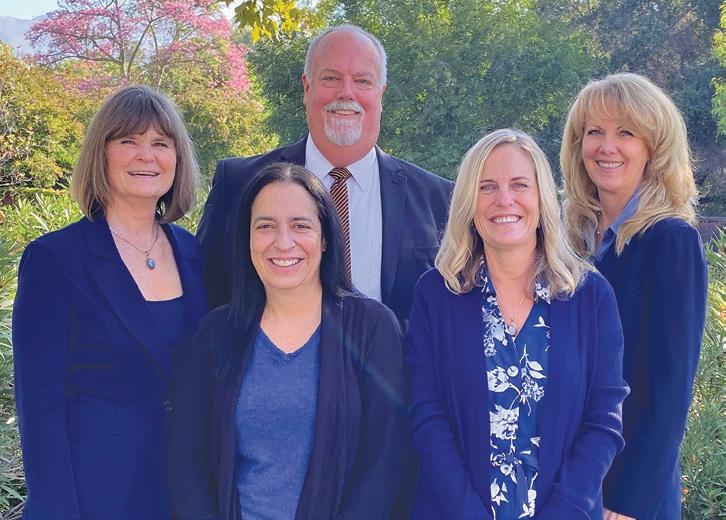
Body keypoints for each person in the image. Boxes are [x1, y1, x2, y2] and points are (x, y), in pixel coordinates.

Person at [407, 129, 629, 520]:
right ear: (468, 203)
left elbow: (603, 421)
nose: (504, 199)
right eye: (487, 187)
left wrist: (564, 513)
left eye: (520, 185)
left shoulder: (591, 296)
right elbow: (427, 415)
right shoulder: (436, 294)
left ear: (542, 198)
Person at [12, 85, 208, 519]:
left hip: (184, 495)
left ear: (177, 159)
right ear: (101, 154)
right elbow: (40, 406)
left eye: (161, 143)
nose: (146, 156)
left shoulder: (194, 254)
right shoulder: (55, 260)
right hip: (96, 496)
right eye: (128, 141)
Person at [169, 163, 407, 520]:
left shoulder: (372, 328)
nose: (283, 241)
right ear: (247, 238)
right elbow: (186, 461)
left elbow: (384, 462)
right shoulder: (214, 334)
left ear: (325, 238)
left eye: (300, 225)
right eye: (265, 226)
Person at [197, 24, 452, 327]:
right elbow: (208, 296)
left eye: (362, 81)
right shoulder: (238, 183)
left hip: (390, 359)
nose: (346, 93)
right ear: (307, 87)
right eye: (331, 78)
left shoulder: (438, 198)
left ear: (380, 94)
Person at [561, 72, 708, 520]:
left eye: (626, 132)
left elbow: (669, 388)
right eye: (595, 132)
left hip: (626, 491)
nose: (607, 147)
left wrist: (628, 500)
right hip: (567, 476)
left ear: (654, 148)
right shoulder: (568, 242)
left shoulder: (671, 240)